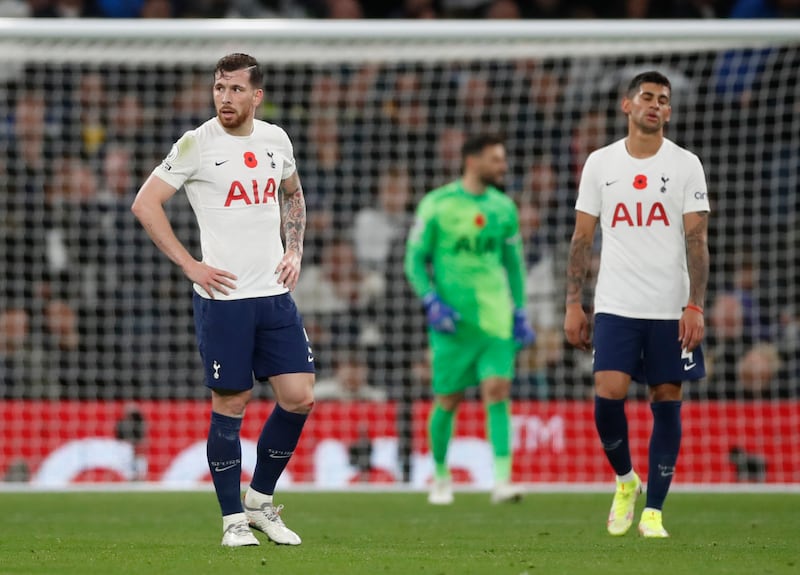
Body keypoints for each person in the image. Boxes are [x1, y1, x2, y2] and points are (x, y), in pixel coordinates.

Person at [131, 53, 314, 548]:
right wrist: (190, 264)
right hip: (224, 299)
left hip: (274, 295)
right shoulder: (196, 144)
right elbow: (145, 204)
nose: (225, 98)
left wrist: (294, 248)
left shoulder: (276, 139)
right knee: (231, 402)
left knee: (300, 396)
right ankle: (232, 520)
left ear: (256, 95)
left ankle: (259, 502)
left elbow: (292, 194)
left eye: (235, 89)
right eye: (219, 88)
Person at [563, 71, 710, 538]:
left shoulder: (687, 164)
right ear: (627, 105)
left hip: (670, 306)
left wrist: (695, 305)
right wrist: (573, 303)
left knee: (667, 399)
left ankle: (654, 513)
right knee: (608, 392)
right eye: (646, 97)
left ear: (669, 111)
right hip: (616, 303)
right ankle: (626, 480)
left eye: (663, 100)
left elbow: (697, 238)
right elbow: (582, 238)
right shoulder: (600, 164)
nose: (655, 105)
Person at [404, 133, 536, 505]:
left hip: (496, 321)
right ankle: (441, 477)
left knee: (498, 390)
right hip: (452, 323)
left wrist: (520, 309)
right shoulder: (437, 205)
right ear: (473, 161)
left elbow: (514, 265)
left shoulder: (504, 208)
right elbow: (413, 260)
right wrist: (430, 300)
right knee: (448, 399)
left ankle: (503, 481)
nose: (503, 166)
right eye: (496, 159)